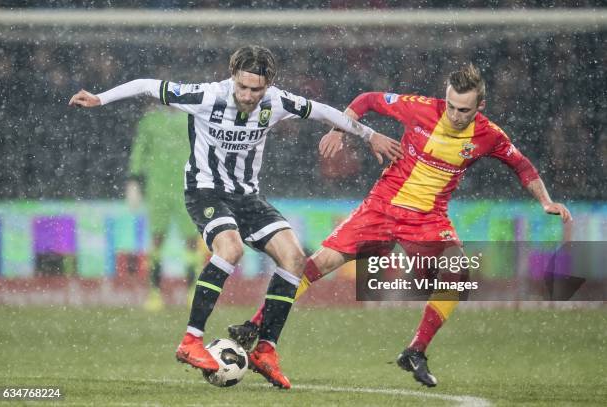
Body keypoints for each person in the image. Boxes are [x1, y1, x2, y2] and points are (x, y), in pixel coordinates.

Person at [68, 45, 401, 389]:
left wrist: (370, 135)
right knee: (230, 249)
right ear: (232, 77)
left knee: (295, 258)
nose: (247, 95)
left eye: (255, 89)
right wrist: (100, 99)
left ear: (268, 84)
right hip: (205, 191)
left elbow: (325, 112)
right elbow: (147, 85)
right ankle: (191, 341)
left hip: (247, 197)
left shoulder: (278, 102)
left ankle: (266, 350)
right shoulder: (207, 96)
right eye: (242, 86)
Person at [228, 63, 573, 387]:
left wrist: (545, 200)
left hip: (427, 219)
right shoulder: (420, 108)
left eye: (464, 110)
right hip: (381, 208)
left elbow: (522, 165)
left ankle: (415, 351)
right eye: (451, 105)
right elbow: (367, 100)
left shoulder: (489, 136)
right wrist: (340, 128)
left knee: (457, 270)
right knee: (315, 265)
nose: (454, 115)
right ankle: (254, 325)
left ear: (480, 106)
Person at [126, 107, 205, 311]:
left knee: (191, 241)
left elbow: (203, 149)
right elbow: (139, 149)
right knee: (156, 238)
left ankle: (192, 292)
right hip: (157, 188)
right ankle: (154, 293)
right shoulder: (150, 121)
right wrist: (134, 179)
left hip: (186, 188)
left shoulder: (192, 119)